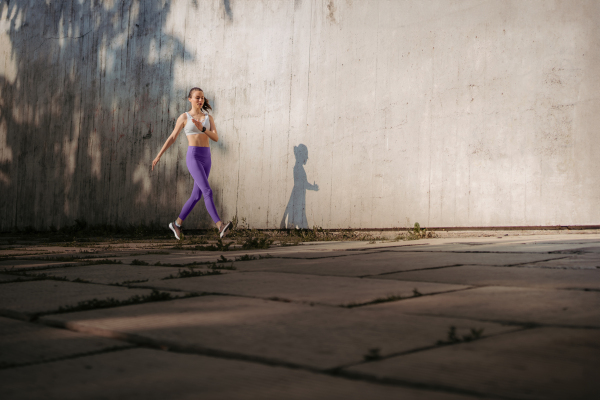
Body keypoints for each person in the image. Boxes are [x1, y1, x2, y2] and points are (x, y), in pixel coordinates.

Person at [152, 87, 231, 240]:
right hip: (193, 156)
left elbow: (215, 138)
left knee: (196, 196)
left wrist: (203, 129)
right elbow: (172, 137)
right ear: (190, 99)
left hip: (206, 157)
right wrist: (158, 155)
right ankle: (220, 226)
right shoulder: (184, 117)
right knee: (207, 191)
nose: (200, 100)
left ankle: (176, 223)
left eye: (202, 98)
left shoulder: (208, 118)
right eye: (197, 98)